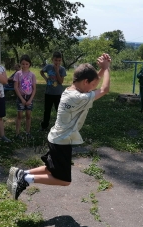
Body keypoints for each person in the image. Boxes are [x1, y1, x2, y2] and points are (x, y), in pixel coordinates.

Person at [7, 53, 111, 200]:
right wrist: (106, 68)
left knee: (51, 169)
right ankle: (26, 179)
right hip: (61, 141)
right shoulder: (79, 97)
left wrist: (101, 69)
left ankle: (22, 173)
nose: (94, 87)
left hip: (56, 137)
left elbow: (92, 82)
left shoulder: (70, 90)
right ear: (85, 82)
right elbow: (105, 89)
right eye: (93, 84)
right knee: (64, 180)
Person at [39, 51, 67, 131]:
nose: (57, 62)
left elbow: (61, 81)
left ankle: (60, 126)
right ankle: (44, 126)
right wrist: (45, 78)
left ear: (61, 60)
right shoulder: (48, 67)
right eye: (55, 60)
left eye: (59, 60)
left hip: (58, 94)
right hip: (48, 93)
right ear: (52, 60)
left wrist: (57, 71)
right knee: (47, 110)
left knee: (59, 111)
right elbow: (41, 72)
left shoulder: (62, 69)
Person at [14, 55, 36, 139]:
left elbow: (34, 88)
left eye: (27, 64)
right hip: (21, 97)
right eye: (23, 64)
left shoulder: (32, 75)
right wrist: (22, 99)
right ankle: (17, 133)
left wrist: (30, 99)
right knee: (19, 115)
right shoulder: (18, 74)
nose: (25, 65)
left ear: (29, 64)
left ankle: (28, 132)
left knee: (28, 115)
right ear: (20, 64)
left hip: (29, 97)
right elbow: (16, 87)